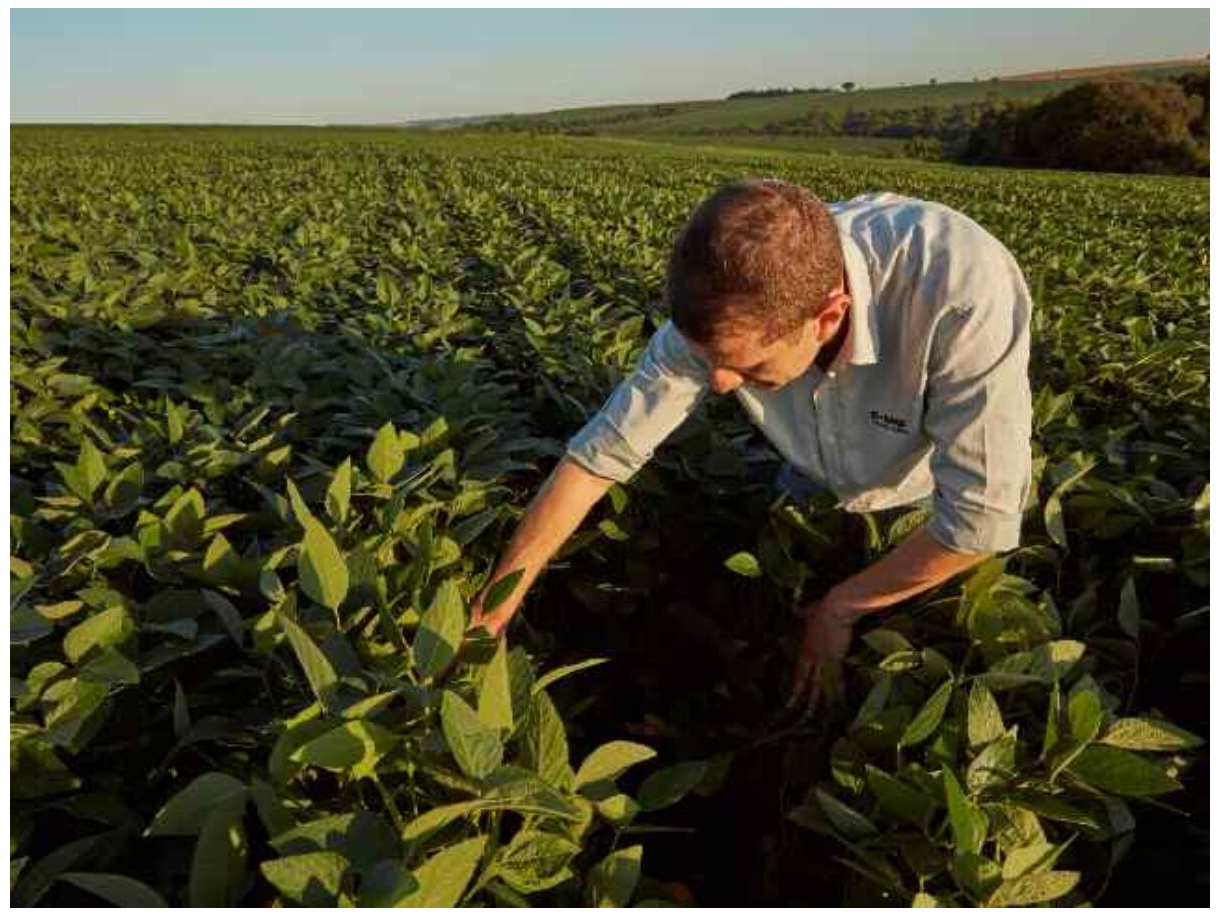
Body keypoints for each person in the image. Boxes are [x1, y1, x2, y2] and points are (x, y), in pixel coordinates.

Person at [468, 179, 1033, 716]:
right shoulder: (726, 307)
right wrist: (496, 604)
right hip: (810, 469)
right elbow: (598, 458)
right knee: (777, 599)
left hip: (924, 501)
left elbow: (978, 521)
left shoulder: (959, 293)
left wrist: (841, 608)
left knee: (888, 665)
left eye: (748, 366)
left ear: (828, 316)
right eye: (709, 361)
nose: (719, 384)